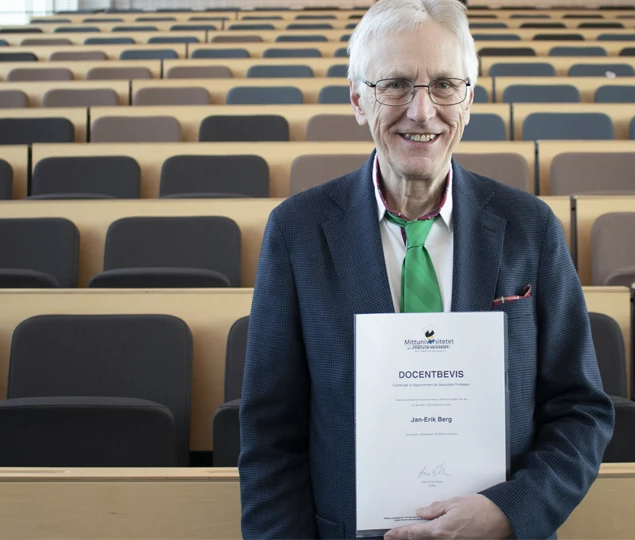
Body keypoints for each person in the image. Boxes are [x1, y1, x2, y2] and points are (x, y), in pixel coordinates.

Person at [238, 0, 615, 538]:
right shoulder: (297, 232)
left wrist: (514, 511)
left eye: (443, 85)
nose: (421, 111)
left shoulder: (530, 228)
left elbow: (581, 410)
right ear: (358, 101)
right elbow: (270, 435)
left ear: (467, 101)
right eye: (395, 84)